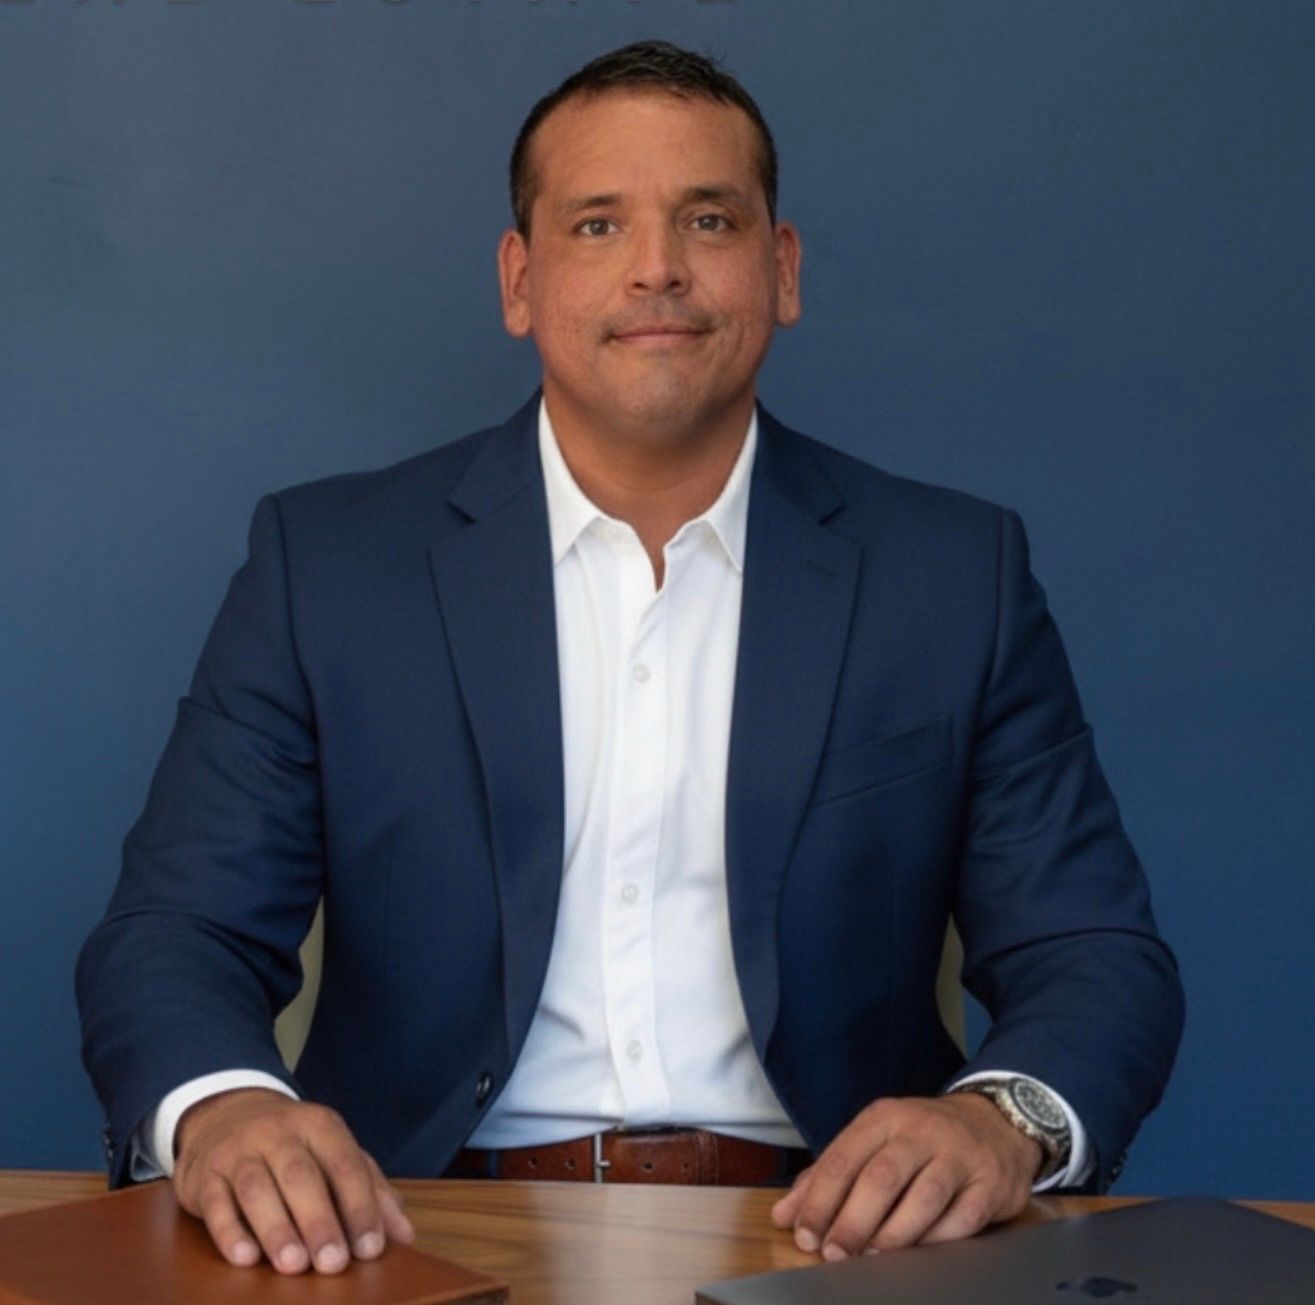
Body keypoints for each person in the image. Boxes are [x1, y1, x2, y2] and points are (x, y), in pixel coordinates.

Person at [77, 39, 1183, 1278]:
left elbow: (1095, 956)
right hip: (409, 1231)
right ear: (519, 280)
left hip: (838, 1243)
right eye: (597, 224)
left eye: (707, 219)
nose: (657, 267)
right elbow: (173, 934)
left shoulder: (949, 577)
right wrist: (227, 1110)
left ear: (781, 269)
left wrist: (1000, 1121)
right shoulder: (330, 568)